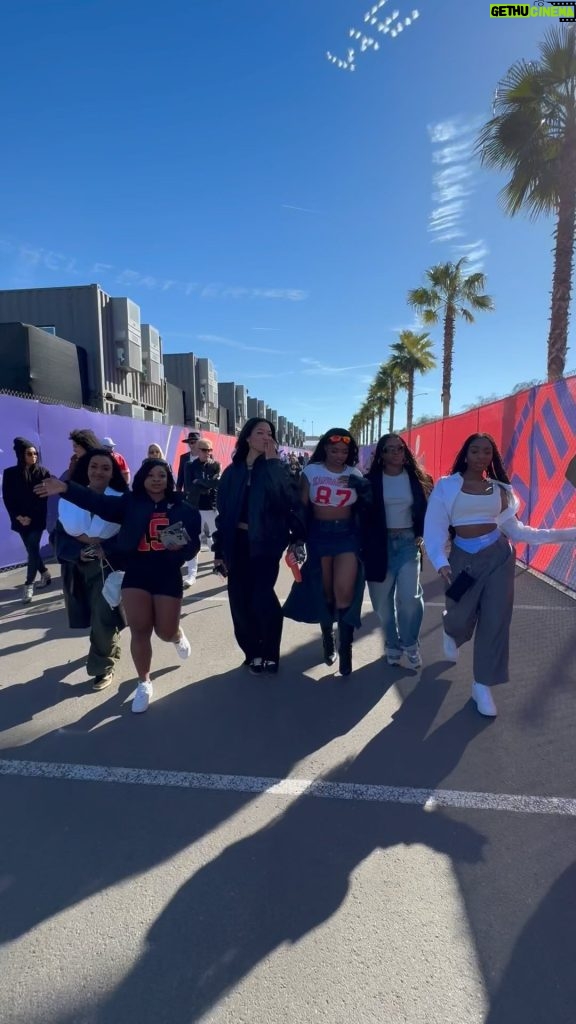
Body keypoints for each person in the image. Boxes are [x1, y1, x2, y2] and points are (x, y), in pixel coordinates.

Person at [424, 432, 576, 717]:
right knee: (458, 615)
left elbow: (518, 531)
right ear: (465, 454)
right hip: (462, 562)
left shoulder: (502, 491)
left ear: (491, 457)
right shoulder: (447, 487)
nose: (481, 456)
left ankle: (482, 685)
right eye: (475, 451)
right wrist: (440, 560)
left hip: (498, 559)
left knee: (495, 621)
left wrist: (569, 534)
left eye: (486, 452)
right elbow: (434, 526)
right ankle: (451, 630)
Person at [36, 459, 201, 714]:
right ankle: (143, 682)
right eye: (151, 475)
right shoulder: (130, 503)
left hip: (167, 574)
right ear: (142, 478)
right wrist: (66, 488)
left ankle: (176, 636)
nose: (157, 479)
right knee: (140, 629)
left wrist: (184, 548)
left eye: (162, 475)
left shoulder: (184, 508)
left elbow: (193, 548)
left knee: (165, 631)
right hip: (136, 573)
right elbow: (97, 502)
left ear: (168, 479)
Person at [212, 418, 304, 675]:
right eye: (260, 432)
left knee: (262, 596)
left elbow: (288, 500)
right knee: (239, 600)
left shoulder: (277, 468)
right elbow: (224, 514)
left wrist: (274, 463)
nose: (266, 436)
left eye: (270, 433)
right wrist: (219, 551)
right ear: (247, 438)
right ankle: (252, 651)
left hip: (266, 543)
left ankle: (270, 653)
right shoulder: (233, 472)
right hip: (237, 543)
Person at [285, 429, 370, 677]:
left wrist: (362, 488)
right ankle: (327, 638)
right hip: (319, 536)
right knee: (326, 593)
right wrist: (297, 538)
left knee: (344, 593)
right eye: (334, 450)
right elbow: (301, 507)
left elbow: (367, 506)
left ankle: (346, 650)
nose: (339, 455)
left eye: (344, 451)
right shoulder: (311, 471)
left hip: (346, 536)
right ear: (325, 449)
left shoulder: (354, 473)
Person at [54, 449, 128, 690]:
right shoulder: (68, 498)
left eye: (105, 468)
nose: (99, 472)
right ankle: (105, 648)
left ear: (112, 472)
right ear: (86, 468)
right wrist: (78, 552)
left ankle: (102, 666)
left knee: (103, 616)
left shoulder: (121, 498)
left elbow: (130, 536)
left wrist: (106, 547)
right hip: (77, 567)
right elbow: (59, 536)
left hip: (109, 567)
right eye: (93, 466)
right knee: (90, 616)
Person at [362, 434, 432, 669]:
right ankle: (392, 645)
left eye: (399, 448)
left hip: (408, 543)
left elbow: (427, 510)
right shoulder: (369, 481)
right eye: (389, 449)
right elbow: (360, 515)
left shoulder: (418, 478)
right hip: (378, 547)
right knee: (382, 604)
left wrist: (423, 534)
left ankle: (410, 645)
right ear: (380, 455)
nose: (395, 453)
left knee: (411, 599)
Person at [2, 438, 52, 603]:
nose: (34, 456)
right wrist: (18, 516)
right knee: (33, 551)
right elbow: (8, 498)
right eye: (30, 453)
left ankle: (28, 585)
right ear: (21, 455)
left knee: (32, 550)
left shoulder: (43, 473)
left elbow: (42, 499)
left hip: (36, 520)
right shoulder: (10, 473)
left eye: (35, 453)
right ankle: (45, 573)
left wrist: (30, 516)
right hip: (19, 520)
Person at [184, 439, 220, 551]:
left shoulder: (215, 465)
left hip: (211, 506)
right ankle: (192, 569)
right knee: (193, 537)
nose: (207, 453)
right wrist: (205, 484)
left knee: (218, 535)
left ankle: (219, 562)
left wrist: (199, 481)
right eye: (204, 450)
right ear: (198, 450)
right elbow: (189, 486)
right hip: (195, 506)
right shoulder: (190, 466)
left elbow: (216, 483)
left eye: (210, 450)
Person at [177, 431, 201, 586]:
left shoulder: (206, 457)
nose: (192, 444)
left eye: (194, 441)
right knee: (189, 534)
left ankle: (221, 558)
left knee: (211, 533)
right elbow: (180, 477)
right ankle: (192, 574)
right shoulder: (184, 458)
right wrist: (178, 493)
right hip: (188, 501)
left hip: (204, 502)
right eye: (190, 442)